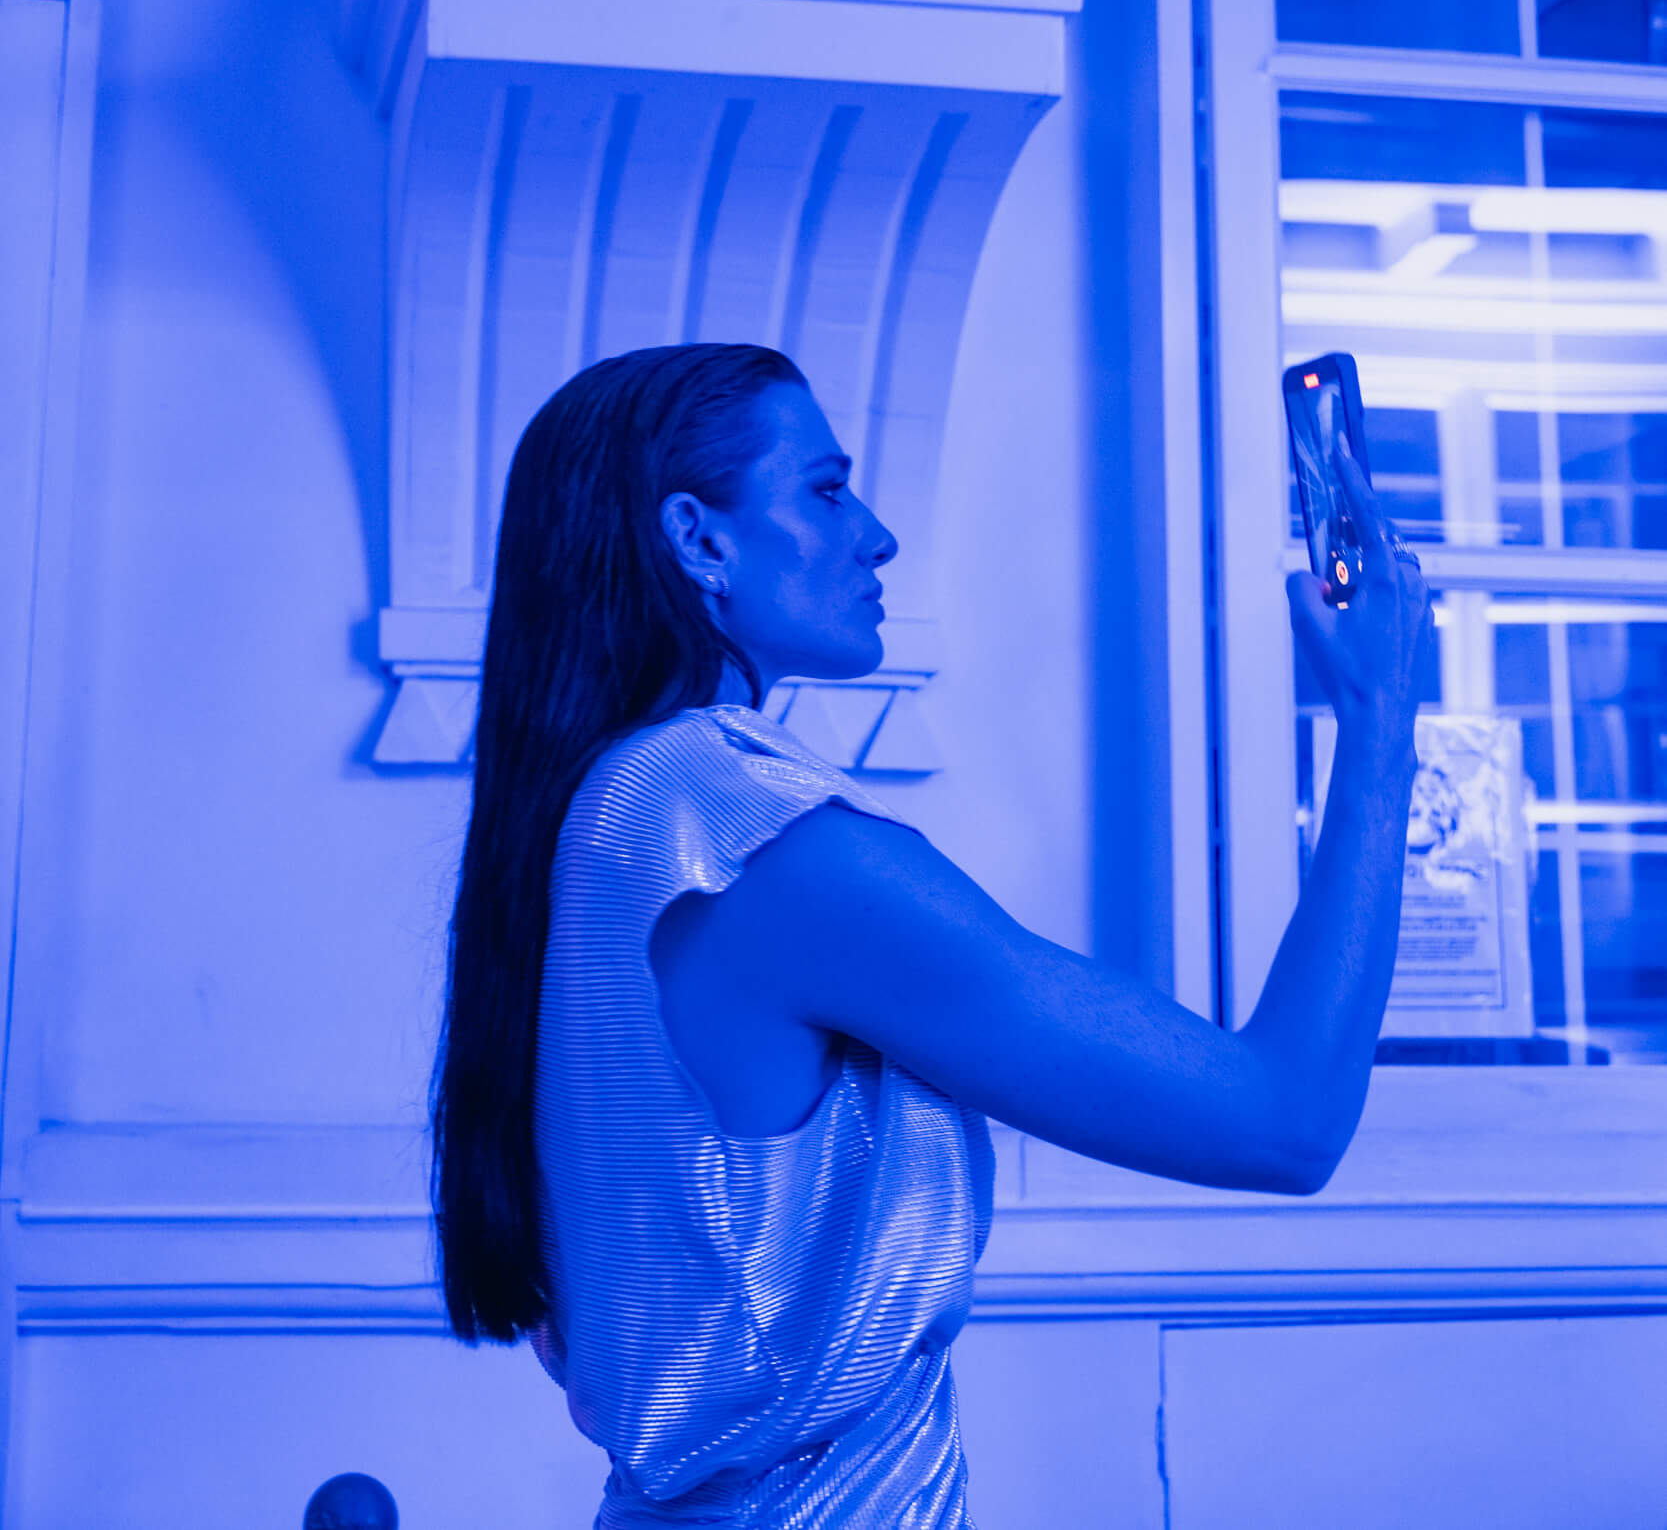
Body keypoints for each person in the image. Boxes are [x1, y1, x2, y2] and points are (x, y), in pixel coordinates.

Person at [432, 343, 1430, 1529]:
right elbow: (1282, 1117)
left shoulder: (595, 816)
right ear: (697, 539)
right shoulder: (752, 839)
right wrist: (1377, 719)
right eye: (825, 489)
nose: (877, 536)